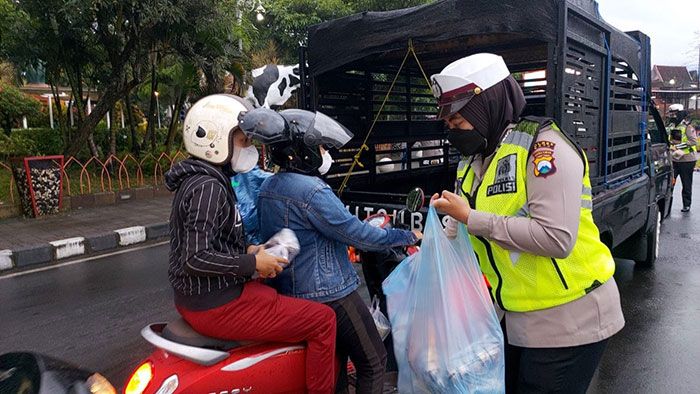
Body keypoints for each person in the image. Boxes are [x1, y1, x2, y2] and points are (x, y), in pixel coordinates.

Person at [429, 53, 625, 393]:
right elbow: (463, 229)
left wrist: (471, 218)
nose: (452, 133)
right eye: (448, 126)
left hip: (570, 317)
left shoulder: (543, 150)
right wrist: (437, 237)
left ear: (484, 108)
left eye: (458, 123)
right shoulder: (472, 163)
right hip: (516, 318)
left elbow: (556, 238)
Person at [238, 108, 421, 394]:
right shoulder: (312, 190)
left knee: (334, 363)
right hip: (331, 294)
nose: (326, 153)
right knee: (374, 361)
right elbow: (358, 234)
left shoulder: (270, 186)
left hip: (290, 292)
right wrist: (407, 235)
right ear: (303, 150)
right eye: (322, 147)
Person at [164, 94, 337, 394]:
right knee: (323, 320)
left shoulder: (207, 180)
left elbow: (211, 242)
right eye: (244, 141)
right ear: (216, 141)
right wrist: (253, 263)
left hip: (207, 297)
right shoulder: (208, 188)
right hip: (215, 304)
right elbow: (195, 257)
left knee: (271, 292)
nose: (251, 150)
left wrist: (250, 251)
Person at [667, 104, 697, 212]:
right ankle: (667, 205)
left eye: (674, 113)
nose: (672, 115)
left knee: (686, 183)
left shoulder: (687, 126)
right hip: (675, 159)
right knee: (671, 182)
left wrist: (679, 148)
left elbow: (693, 142)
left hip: (687, 160)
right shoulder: (673, 125)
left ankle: (686, 205)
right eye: (671, 113)